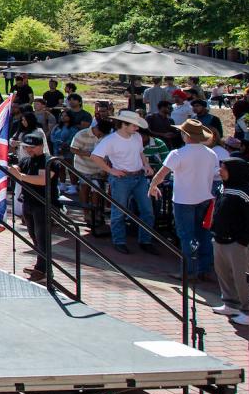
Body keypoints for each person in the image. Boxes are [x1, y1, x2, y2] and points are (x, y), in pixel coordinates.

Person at [148, 119, 217, 280]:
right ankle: (204, 269)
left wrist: (152, 186)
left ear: (186, 135)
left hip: (184, 199)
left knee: (187, 236)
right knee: (203, 234)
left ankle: (189, 271)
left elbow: (162, 173)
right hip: (204, 197)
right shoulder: (211, 153)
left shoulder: (178, 154)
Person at [90, 111, 157, 255]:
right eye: (134, 125)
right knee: (119, 211)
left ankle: (145, 240)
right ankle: (119, 241)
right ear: (124, 124)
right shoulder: (110, 140)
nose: (137, 128)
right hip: (122, 178)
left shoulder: (137, 137)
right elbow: (95, 156)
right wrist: (111, 170)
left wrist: (146, 165)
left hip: (139, 176)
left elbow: (140, 153)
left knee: (148, 211)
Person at [210, 154, 249, 325]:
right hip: (220, 238)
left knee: (243, 276)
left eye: (224, 168)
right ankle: (231, 303)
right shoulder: (222, 188)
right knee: (223, 272)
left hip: (238, 242)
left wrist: (245, 240)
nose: (220, 171)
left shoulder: (246, 193)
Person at [10, 130, 52, 279]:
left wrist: (20, 176)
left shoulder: (48, 160)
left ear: (41, 146)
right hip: (28, 202)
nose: (29, 150)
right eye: (26, 147)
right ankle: (41, 266)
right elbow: (18, 168)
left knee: (42, 237)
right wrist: (12, 168)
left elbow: (42, 180)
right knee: (34, 236)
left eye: (32, 147)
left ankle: (43, 269)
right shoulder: (26, 160)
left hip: (43, 204)